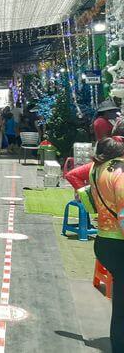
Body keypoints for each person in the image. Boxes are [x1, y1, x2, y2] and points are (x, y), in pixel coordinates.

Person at [87, 137, 124, 351]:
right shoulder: (120, 173)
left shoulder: (96, 168)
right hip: (119, 242)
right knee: (120, 306)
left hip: (103, 239)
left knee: (119, 302)